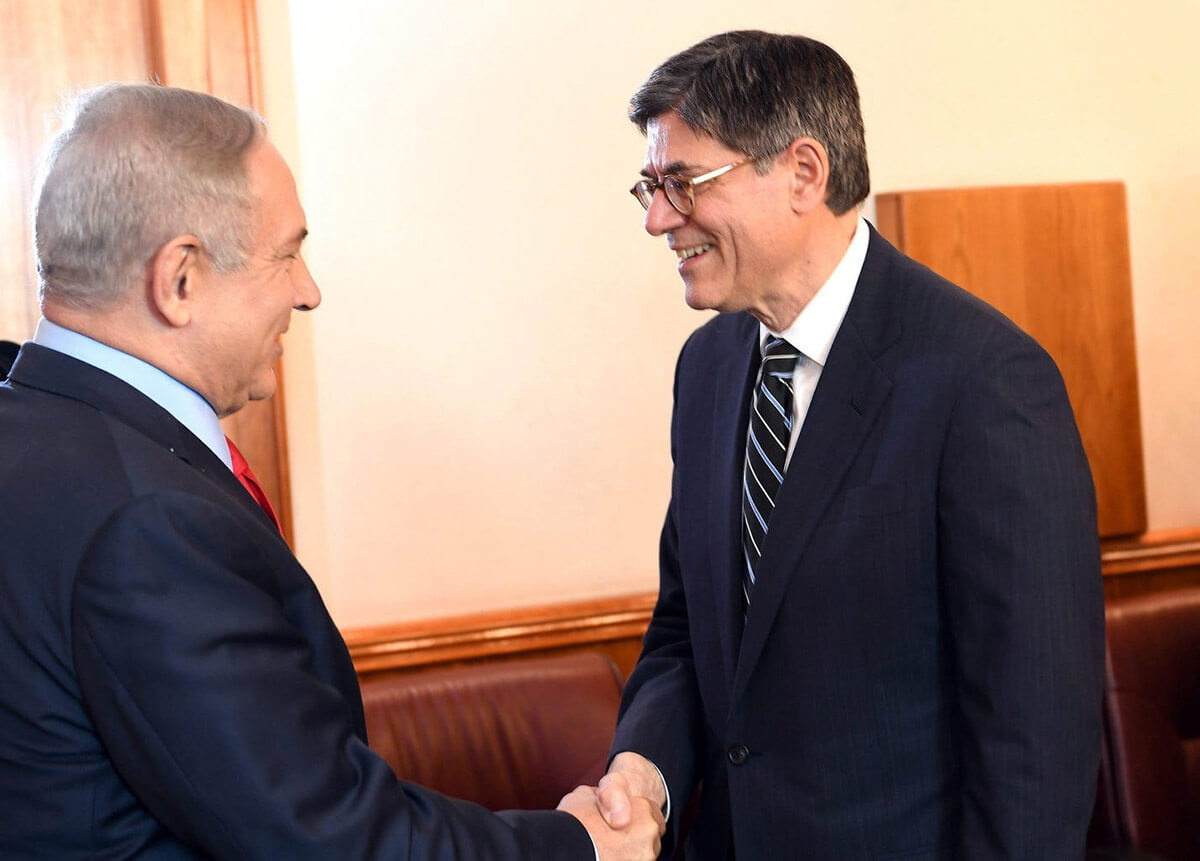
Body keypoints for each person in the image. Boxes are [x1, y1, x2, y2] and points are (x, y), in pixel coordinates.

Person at [0, 83, 663, 860]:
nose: (308, 292)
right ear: (180, 280)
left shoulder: (35, 428)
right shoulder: (147, 521)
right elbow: (327, 837)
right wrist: (580, 846)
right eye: (287, 254)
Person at [595, 31, 1104, 859]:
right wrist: (645, 764)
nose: (659, 218)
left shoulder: (986, 381)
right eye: (651, 185)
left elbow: (1034, 748)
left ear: (804, 171)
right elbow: (689, 632)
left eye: (683, 183)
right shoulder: (709, 367)